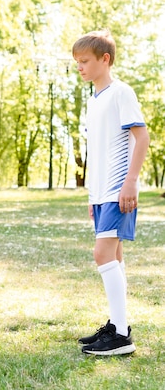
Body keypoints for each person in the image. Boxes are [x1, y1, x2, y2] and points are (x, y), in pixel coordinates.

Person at [72, 30, 150, 356]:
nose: (80, 67)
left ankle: (120, 338)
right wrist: (92, 197)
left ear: (105, 59)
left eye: (85, 61)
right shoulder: (94, 100)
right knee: (114, 257)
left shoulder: (121, 92)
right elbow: (99, 152)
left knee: (102, 255)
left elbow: (142, 137)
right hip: (102, 193)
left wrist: (130, 183)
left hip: (119, 191)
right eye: (77, 63)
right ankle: (117, 326)